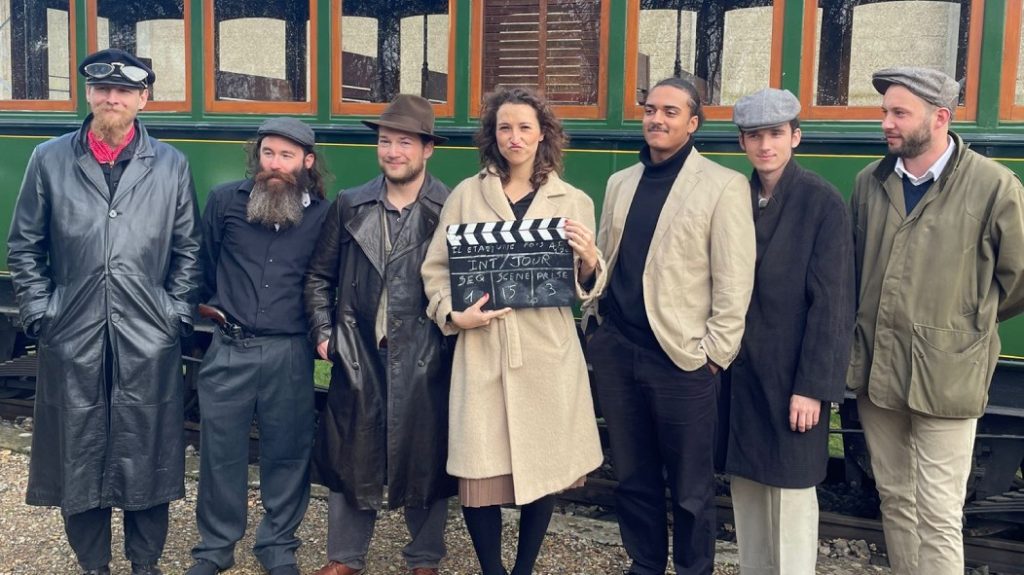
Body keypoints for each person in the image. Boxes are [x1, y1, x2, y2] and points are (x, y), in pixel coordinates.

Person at [6, 48, 201, 575]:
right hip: (72, 328)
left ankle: (145, 564)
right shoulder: (48, 158)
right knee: (78, 450)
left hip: (148, 331)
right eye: (102, 90)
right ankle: (93, 564)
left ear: (143, 99)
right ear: (89, 94)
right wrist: (42, 314)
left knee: (148, 453)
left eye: (123, 92)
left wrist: (174, 317)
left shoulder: (171, 164)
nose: (111, 99)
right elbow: (24, 246)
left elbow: (188, 250)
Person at [421, 86, 605, 575]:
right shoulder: (465, 195)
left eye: (525, 127)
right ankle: (492, 570)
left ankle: (523, 568)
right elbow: (435, 269)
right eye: (505, 127)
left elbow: (587, 282)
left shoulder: (575, 200)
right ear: (493, 134)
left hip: (546, 352)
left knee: (541, 468)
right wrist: (452, 315)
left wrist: (589, 261)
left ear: (542, 133)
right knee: (478, 471)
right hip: (482, 346)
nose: (514, 137)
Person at [849, 67, 1024, 575]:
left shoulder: (994, 187)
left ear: (939, 118)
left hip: (947, 374)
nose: (886, 123)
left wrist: (966, 323)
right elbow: (859, 267)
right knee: (897, 501)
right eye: (884, 112)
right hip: (880, 372)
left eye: (899, 113)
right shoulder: (870, 182)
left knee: (940, 514)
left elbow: (1016, 278)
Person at [582, 76, 755, 575]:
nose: (657, 119)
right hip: (619, 351)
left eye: (670, 112)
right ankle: (645, 565)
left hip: (682, 360)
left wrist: (713, 356)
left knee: (691, 487)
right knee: (632, 477)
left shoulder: (723, 186)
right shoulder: (622, 182)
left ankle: (694, 570)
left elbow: (734, 281)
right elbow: (608, 263)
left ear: (693, 123)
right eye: (651, 109)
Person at [306, 94, 455, 575]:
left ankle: (425, 558)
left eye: (404, 143)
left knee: (427, 454)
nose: (393, 151)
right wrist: (325, 335)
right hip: (360, 351)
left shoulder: (450, 206)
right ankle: (344, 557)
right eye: (386, 142)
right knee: (352, 451)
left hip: (426, 351)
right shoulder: (351, 203)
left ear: (427, 149)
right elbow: (317, 278)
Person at [185, 118, 330, 575]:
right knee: (220, 453)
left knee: (288, 452)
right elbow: (203, 266)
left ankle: (277, 546)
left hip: (289, 351)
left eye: (286, 156)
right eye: (268, 153)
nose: (275, 165)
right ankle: (214, 549)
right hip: (229, 345)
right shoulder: (225, 201)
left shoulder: (325, 214)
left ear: (306, 162)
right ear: (258, 156)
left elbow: (326, 279)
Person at [723, 88, 854, 575]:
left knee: (794, 501)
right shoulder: (735, 196)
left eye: (775, 134)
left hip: (792, 378)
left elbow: (833, 306)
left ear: (794, 137)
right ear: (742, 143)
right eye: (754, 136)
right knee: (748, 495)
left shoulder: (821, 202)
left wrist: (812, 389)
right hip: (741, 374)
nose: (765, 146)